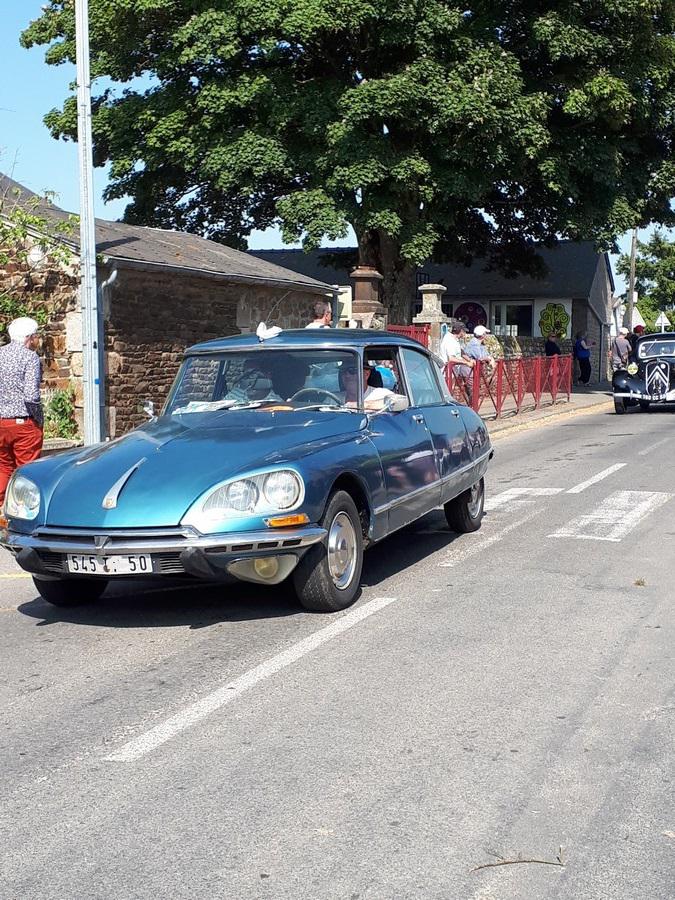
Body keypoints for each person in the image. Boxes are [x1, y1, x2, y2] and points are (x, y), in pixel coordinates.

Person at [0, 317, 44, 507]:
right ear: (29, 337)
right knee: (27, 471)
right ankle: (24, 510)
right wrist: (38, 419)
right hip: (23, 422)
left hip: (1, 422)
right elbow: (31, 396)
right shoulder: (30, 357)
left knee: (3, 468)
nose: (38, 340)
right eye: (36, 336)